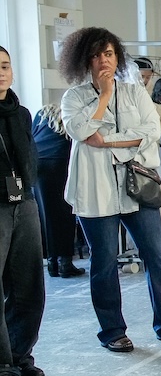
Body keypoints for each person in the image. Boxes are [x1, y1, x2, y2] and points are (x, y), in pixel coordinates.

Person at [60, 27, 161, 353]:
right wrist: (101, 98)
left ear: (118, 57)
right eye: (97, 55)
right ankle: (112, 331)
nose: (103, 61)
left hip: (137, 188)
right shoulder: (73, 98)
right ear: (84, 60)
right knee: (102, 262)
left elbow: (151, 130)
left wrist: (107, 143)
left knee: (156, 255)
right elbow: (82, 131)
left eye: (109, 54)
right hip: (94, 191)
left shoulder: (134, 93)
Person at [0, 46, 46, 376]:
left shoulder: (22, 113)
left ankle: (20, 356)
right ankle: (2, 363)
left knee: (29, 285)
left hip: (24, 201)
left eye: (5, 66)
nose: (1, 72)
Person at [31, 103, 84, 278]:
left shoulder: (42, 113)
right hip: (59, 162)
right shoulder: (73, 112)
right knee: (64, 213)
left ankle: (52, 263)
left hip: (37, 164)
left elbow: (31, 136)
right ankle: (65, 263)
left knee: (44, 215)